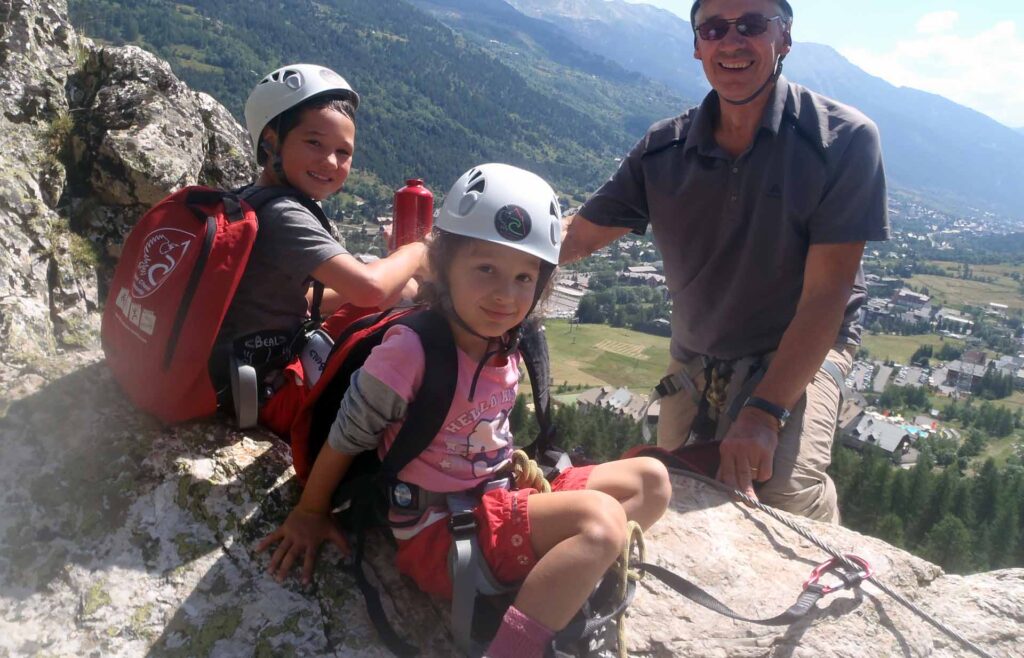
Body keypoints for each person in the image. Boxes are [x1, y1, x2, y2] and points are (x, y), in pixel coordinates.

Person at [257, 163, 672, 657]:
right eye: (485, 270)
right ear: (444, 265)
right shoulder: (411, 351)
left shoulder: (505, 342)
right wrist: (309, 511)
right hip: (441, 533)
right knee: (600, 520)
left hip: (493, 498)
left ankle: (551, 590)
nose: (505, 294)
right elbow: (348, 435)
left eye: (524, 277)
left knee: (652, 480)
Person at [559, 0, 889, 523]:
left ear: (784, 38)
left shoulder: (841, 141)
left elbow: (827, 296)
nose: (731, 41)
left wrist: (764, 411)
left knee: (779, 489)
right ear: (697, 46)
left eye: (751, 25)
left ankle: (829, 536)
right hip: (698, 353)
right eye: (714, 28)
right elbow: (576, 238)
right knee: (675, 483)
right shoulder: (663, 150)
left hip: (804, 345)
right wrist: (449, 256)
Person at [211, 64, 427, 415]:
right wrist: (415, 252)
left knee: (402, 290)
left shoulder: (251, 198)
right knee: (409, 309)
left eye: (344, 152)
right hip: (266, 394)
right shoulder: (285, 214)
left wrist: (393, 272)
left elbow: (296, 297)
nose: (330, 161)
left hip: (237, 369)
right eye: (314, 142)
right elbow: (369, 289)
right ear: (270, 141)